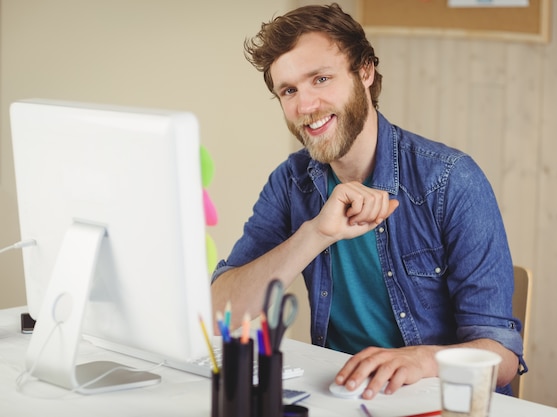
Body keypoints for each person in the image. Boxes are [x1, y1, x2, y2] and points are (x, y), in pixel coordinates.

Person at [211, 3, 526, 399]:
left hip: (436, 401)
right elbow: (222, 311)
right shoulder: (292, 183)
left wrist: (421, 360)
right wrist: (315, 234)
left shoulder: (450, 180)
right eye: (289, 91)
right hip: (340, 397)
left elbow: (503, 357)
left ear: (365, 72)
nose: (305, 107)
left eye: (321, 79)